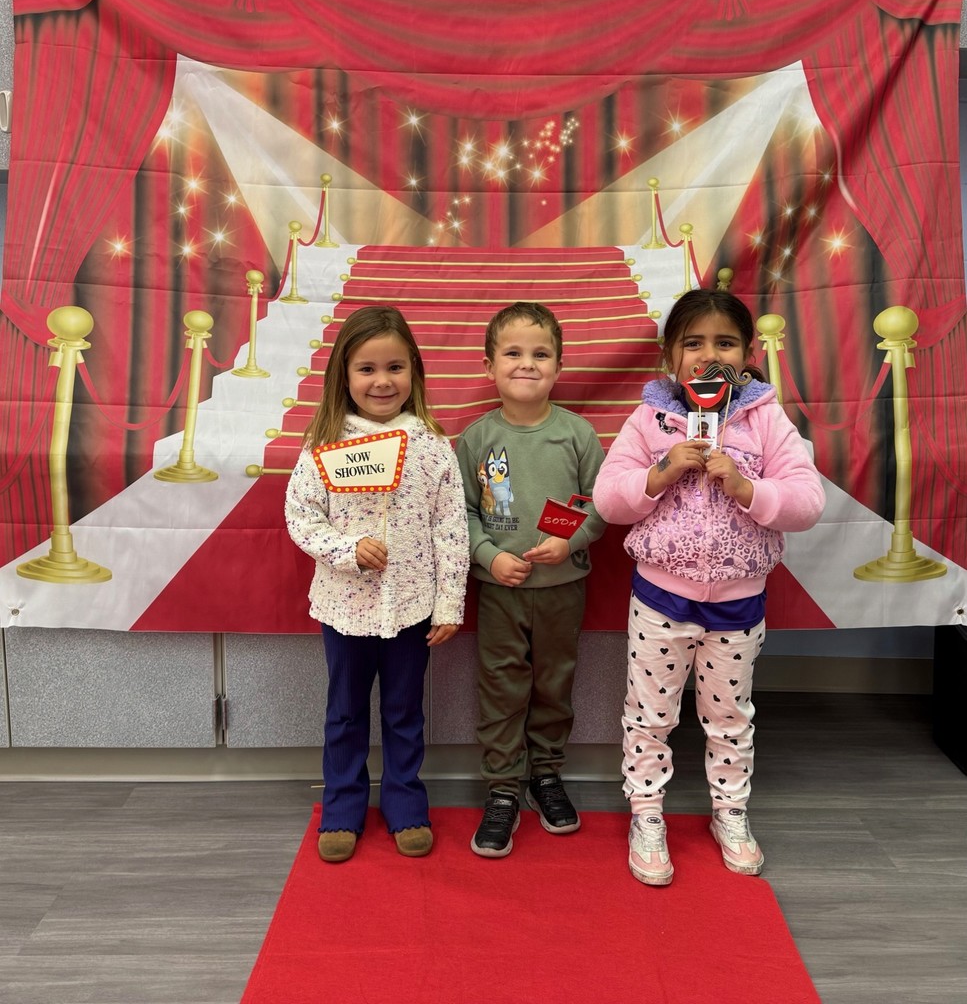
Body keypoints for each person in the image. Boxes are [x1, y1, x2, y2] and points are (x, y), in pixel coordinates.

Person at [593, 289, 825, 886]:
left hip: (740, 603)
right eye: (692, 343)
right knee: (650, 716)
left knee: (729, 716)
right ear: (670, 356)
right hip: (661, 600)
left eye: (723, 343)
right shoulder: (649, 418)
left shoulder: (765, 418)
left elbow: (806, 501)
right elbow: (608, 498)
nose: (706, 355)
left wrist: (750, 491)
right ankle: (647, 813)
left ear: (747, 354)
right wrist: (661, 470)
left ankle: (731, 811)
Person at [286, 305, 469, 863]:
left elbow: (451, 528)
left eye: (394, 367)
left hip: (412, 610)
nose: (382, 381)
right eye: (366, 369)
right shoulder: (322, 444)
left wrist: (448, 603)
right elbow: (301, 517)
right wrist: (347, 551)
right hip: (344, 608)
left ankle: (405, 803)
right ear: (343, 374)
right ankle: (342, 807)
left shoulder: (433, 445)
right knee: (344, 711)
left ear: (413, 371)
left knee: (404, 710)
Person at [456, 302, 606, 858]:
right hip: (500, 592)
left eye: (540, 354)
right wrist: (489, 556)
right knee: (502, 688)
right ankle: (502, 789)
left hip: (564, 589)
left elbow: (602, 504)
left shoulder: (578, 434)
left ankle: (545, 775)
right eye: (512, 354)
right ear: (489, 366)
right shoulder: (475, 439)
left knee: (553, 684)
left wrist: (572, 540)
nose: (526, 364)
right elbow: (462, 513)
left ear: (559, 367)